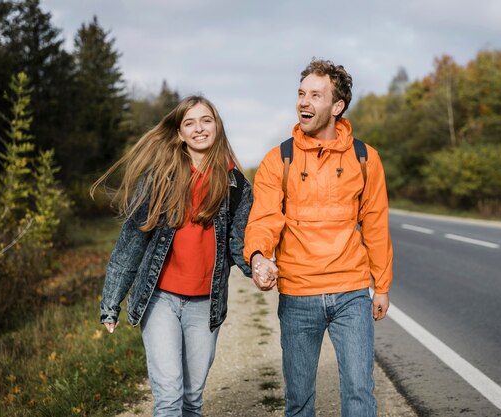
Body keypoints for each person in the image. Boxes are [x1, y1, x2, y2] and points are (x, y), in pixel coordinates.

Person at [244, 58, 393, 417]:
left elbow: (375, 222)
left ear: (337, 106)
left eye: (315, 95)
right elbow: (263, 219)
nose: (304, 102)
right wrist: (259, 257)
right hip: (297, 294)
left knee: (359, 393)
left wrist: (382, 285)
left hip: (351, 292)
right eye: (300, 94)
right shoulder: (278, 159)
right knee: (299, 401)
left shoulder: (365, 158)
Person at [92, 95, 253, 417]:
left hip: (205, 304)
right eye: (189, 123)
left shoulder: (236, 185)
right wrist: (111, 303)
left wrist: (261, 267)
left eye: (205, 120)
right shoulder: (158, 180)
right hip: (160, 299)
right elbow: (130, 244)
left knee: (192, 399)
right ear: (179, 133)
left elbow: (240, 245)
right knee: (168, 398)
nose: (198, 129)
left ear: (217, 126)